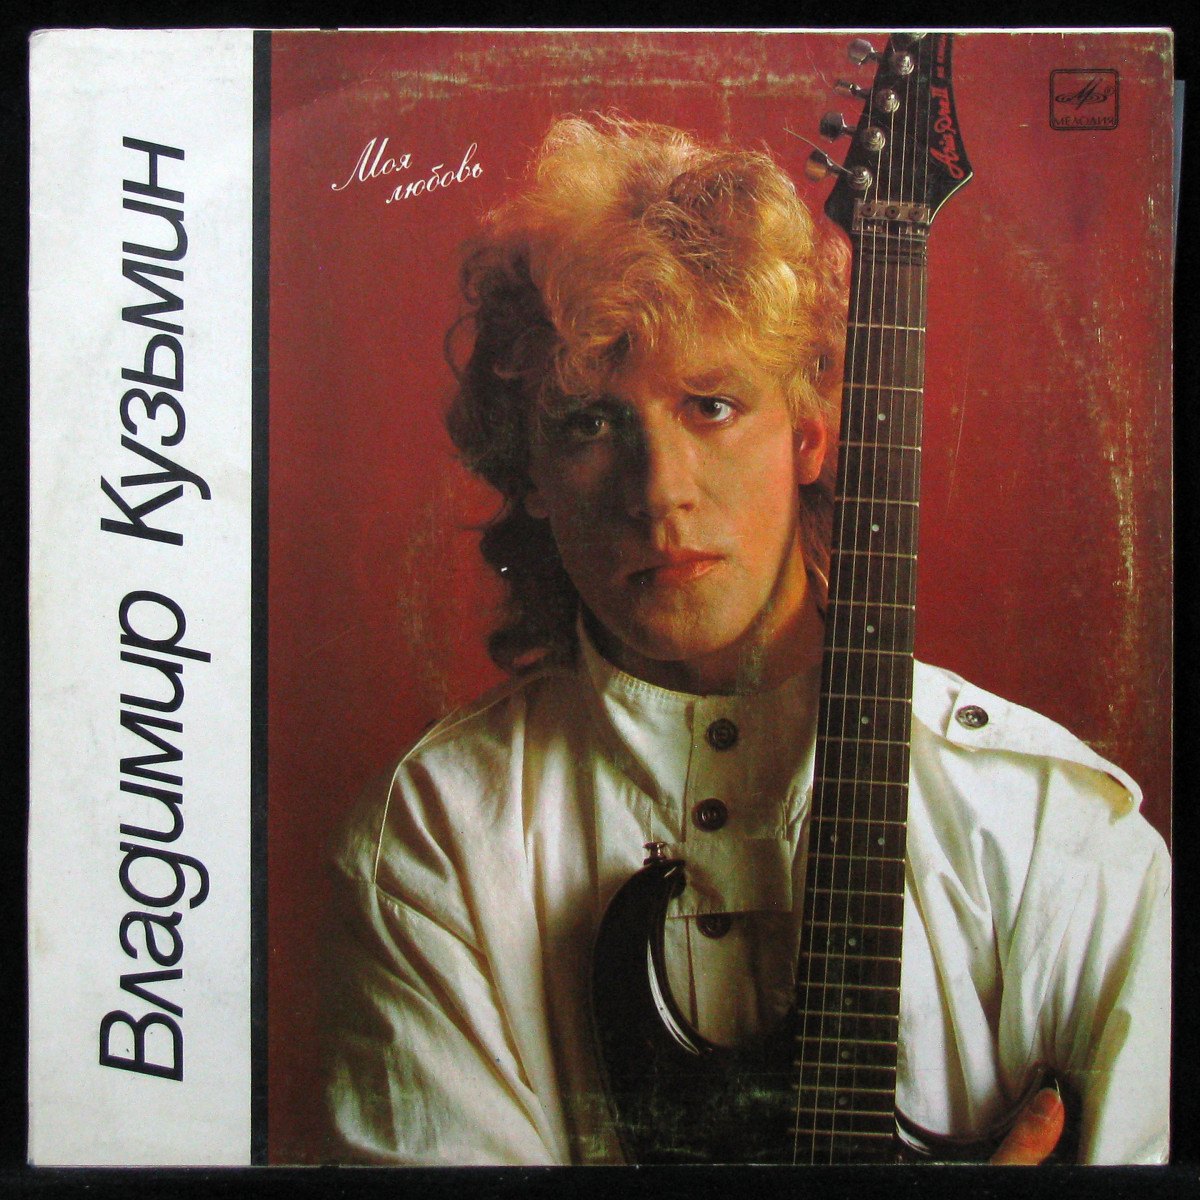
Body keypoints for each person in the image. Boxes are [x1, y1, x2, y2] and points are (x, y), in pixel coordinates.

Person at [320, 116, 1170, 1166]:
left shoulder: (1046, 828)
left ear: (808, 432)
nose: (660, 493)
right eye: (589, 423)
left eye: (711, 405)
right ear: (529, 474)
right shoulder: (434, 842)